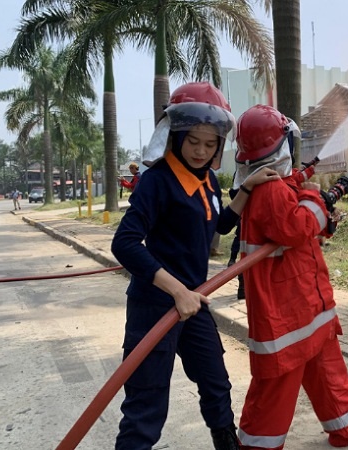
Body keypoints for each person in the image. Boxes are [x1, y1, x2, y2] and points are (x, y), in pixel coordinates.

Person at [110, 82, 280, 450]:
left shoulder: (205, 180)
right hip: (155, 305)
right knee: (146, 405)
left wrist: (246, 189)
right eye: (193, 142)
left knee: (216, 383)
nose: (201, 151)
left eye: (210, 144)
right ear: (176, 136)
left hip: (193, 303)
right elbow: (123, 243)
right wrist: (177, 291)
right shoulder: (156, 181)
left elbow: (216, 225)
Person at [232, 104, 348, 450]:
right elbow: (297, 226)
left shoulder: (275, 185)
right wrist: (319, 197)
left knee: (327, 367)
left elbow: (296, 228)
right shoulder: (271, 191)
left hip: (304, 303)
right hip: (285, 314)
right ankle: (257, 446)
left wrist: (310, 196)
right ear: (280, 146)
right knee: (276, 386)